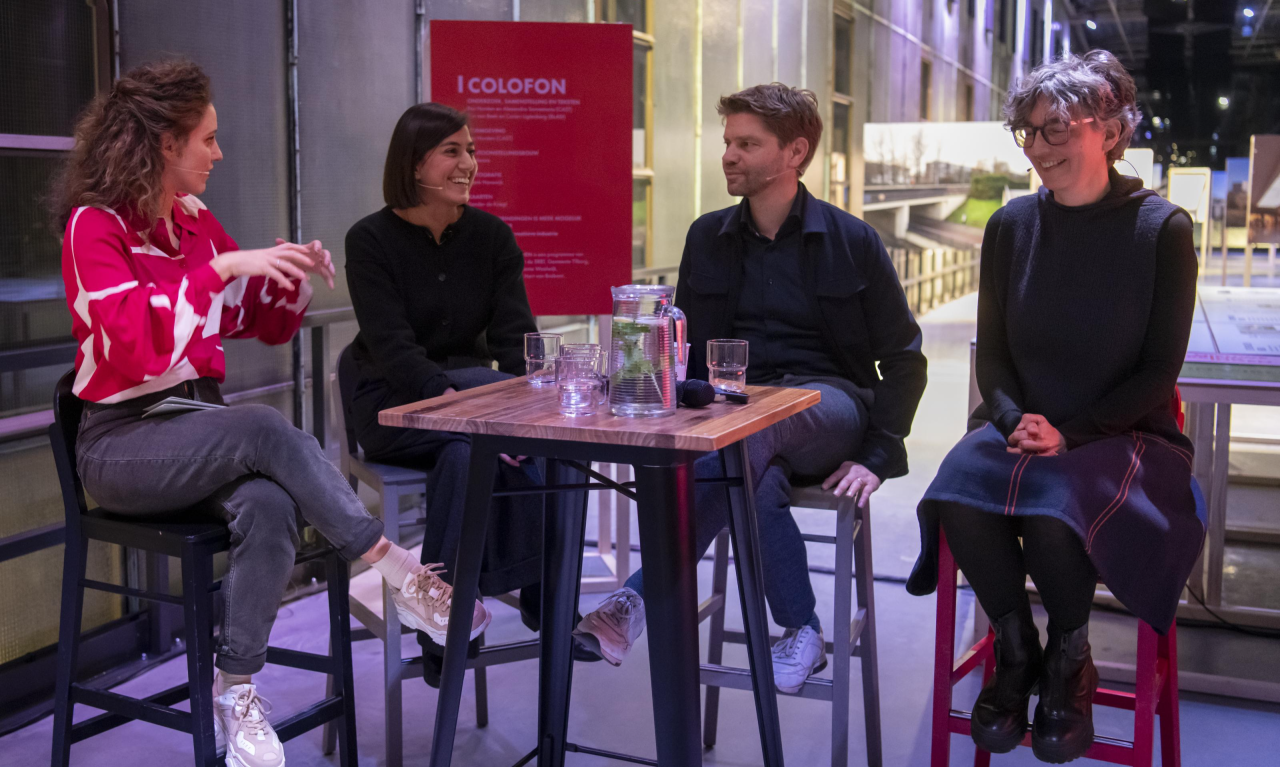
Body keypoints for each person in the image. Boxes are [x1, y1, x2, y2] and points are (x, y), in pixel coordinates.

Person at [56, 61, 486, 767]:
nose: (219, 153)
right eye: (208, 138)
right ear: (165, 142)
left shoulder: (192, 222)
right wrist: (222, 270)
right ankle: (394, 569)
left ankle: (236, 690)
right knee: (260, 427)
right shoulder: (93, 227)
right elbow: (134, 346)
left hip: (197, 428)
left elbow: (259, 320)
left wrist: (287, 275)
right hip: (121, 441)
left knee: (269, 504)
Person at [574, 83, 928, 693]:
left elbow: (904, 358)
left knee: (747, 436)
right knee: (753, 480)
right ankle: (802, 630)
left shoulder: (853, 241)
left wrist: (878, 455)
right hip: (736, 414)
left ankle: (635, 597)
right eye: (728, 142)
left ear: (795, 152)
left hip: (827, 406)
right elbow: (685, 347)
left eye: (747, 144)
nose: (729, 156)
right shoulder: (706, 236)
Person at [905, 51, 1205, 764]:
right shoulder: (1011, 225)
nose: (1039, 147)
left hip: (1124, 432)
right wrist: (1014, 421)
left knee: (1051, 508)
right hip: (1023, 424)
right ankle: (1017, 651)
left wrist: (1070, 434)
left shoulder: (1161, 229)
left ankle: (1070, 660)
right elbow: (993, 355)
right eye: (1029, 132)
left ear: (1111, 129)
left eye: (1057, 129)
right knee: (956, 490)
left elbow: (1158, 373)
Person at [344, 103, 598, 682]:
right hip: (393, 403)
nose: (469, 163)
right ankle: (534, 596)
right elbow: (393, 349)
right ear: (414, 163)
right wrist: (478, 414)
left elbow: (516, 343)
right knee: (478, 441)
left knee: (504, 448)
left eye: (472, 151)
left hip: (470, 402)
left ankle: (451, 624)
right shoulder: (370, 239)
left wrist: (521, 412)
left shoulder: (492, 238)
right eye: (452, 151)